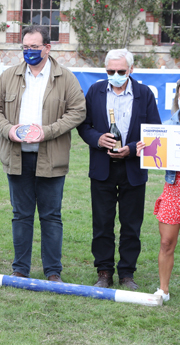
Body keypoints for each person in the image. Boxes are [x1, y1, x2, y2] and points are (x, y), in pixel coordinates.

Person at [0, 25, 86, 283]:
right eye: (25, 47)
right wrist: (9, 130)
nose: (29, 51)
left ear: (47, 48)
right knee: (21, 215)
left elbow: (77, 111)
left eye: (34, 47)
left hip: (51, 157)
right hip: (17, 158)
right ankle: (20, 269)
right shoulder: (9, 76)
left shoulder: (66, 78)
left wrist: (48, 131)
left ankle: (53, 272)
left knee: (51, 216)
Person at [77, 49, 161, 290]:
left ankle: (127, 273)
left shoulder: (144, 94)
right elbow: (84, 126)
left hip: (133, 169)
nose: (115, 75)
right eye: (110, 71)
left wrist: (132, 149)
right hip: (102, 168)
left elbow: (155, 131)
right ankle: (104, 272)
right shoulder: (95, 91)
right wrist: (96, 139)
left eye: (121, 71)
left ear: (131, 70)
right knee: (102, 223)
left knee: (131, 224)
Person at [136, 108, 180, 301]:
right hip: (174, 187)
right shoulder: (168, 127)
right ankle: (164, 290)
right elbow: (156, 152)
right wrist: (143, 151)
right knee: (166, 242)